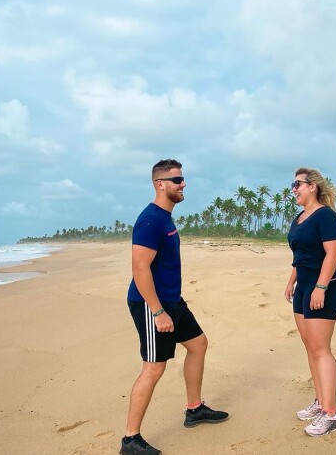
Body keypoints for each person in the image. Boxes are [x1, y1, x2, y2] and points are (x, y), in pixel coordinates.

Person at [121, 159, 229, 455]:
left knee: (198, 344)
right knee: (154, 368)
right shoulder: (151, 220)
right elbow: (140, 268)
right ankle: (130, 439)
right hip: (151, 303)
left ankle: (194, 409)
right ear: (160, 184)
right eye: (177, 180)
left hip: (171, 300)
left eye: (183, 179)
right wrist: (157, 312)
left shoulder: (165, 217)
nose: (183, 184)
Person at [284, 167, 336, 437]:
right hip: (304, 287)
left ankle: (331, 415)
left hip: (326, 286)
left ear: (313, 187)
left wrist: (320, 287)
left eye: (298, 184)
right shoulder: (299, 218)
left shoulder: (325, 216)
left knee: (321, 349)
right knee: (310, 346)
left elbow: (333, 253)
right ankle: (320, 402)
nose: (293, 189)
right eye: (293, 184)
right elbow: (301, 255)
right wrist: (291, 281)